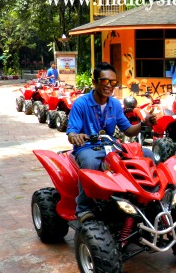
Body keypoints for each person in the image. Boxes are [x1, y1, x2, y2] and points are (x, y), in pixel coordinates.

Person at [67, 62, 157, 223]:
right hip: (88, 147)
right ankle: (84, 208)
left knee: (148, 155)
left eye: (113, 82)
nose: (109, 85)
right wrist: (76, 136)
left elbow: (128, 130)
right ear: (94, 82)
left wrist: (144, 124)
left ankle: (149, 198)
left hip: (110, 146)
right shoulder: (81, 103)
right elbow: (72, 131)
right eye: (104, 81)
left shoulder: (114, 104)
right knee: (89, 163)